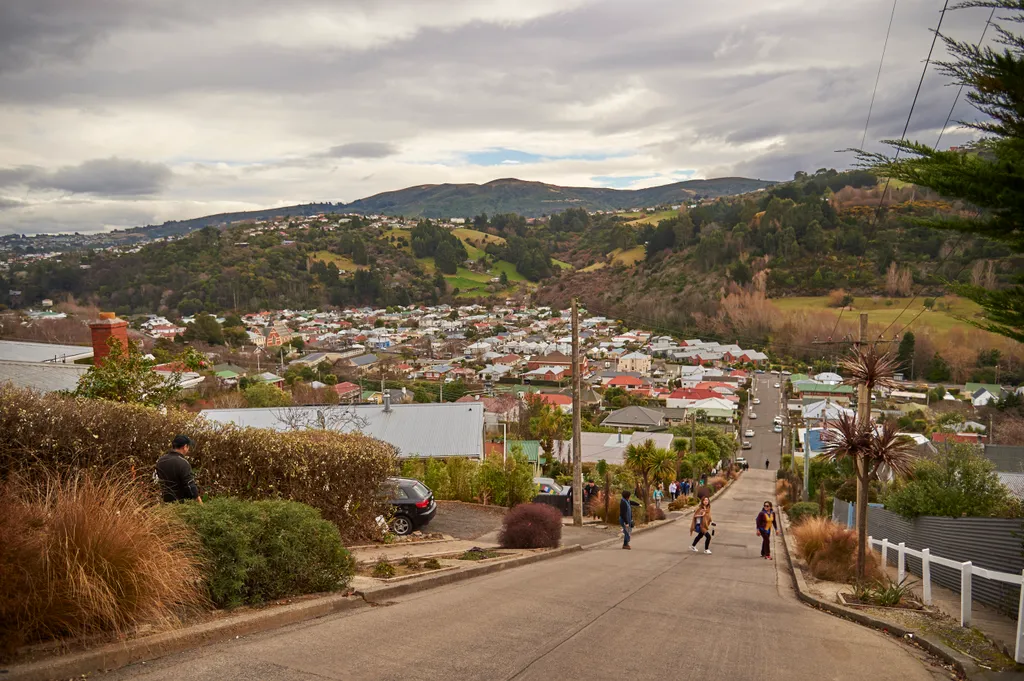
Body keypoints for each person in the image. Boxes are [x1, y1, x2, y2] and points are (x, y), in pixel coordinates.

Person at [155, 435, 202, 504]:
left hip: (165, 504)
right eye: (188, 446)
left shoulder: (161, 460)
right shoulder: (183, 463)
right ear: (185, 447)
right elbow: (189, 485)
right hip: (181, 505)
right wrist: (200, 503)